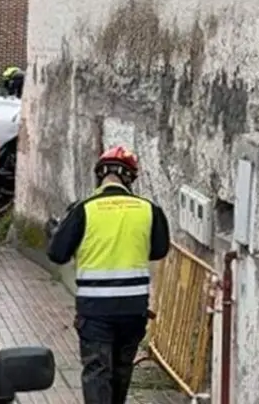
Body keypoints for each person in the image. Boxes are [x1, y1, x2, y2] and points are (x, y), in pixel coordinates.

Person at [47, 147, 170, 404]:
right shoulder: (149, 210)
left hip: (96, 310)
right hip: (133, 308)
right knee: (122, 370)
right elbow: (159, 250)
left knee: (97, 371)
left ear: (100, 175)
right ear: (130, 178)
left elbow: (57, 254)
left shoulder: (84, 210)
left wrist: (57, 233)